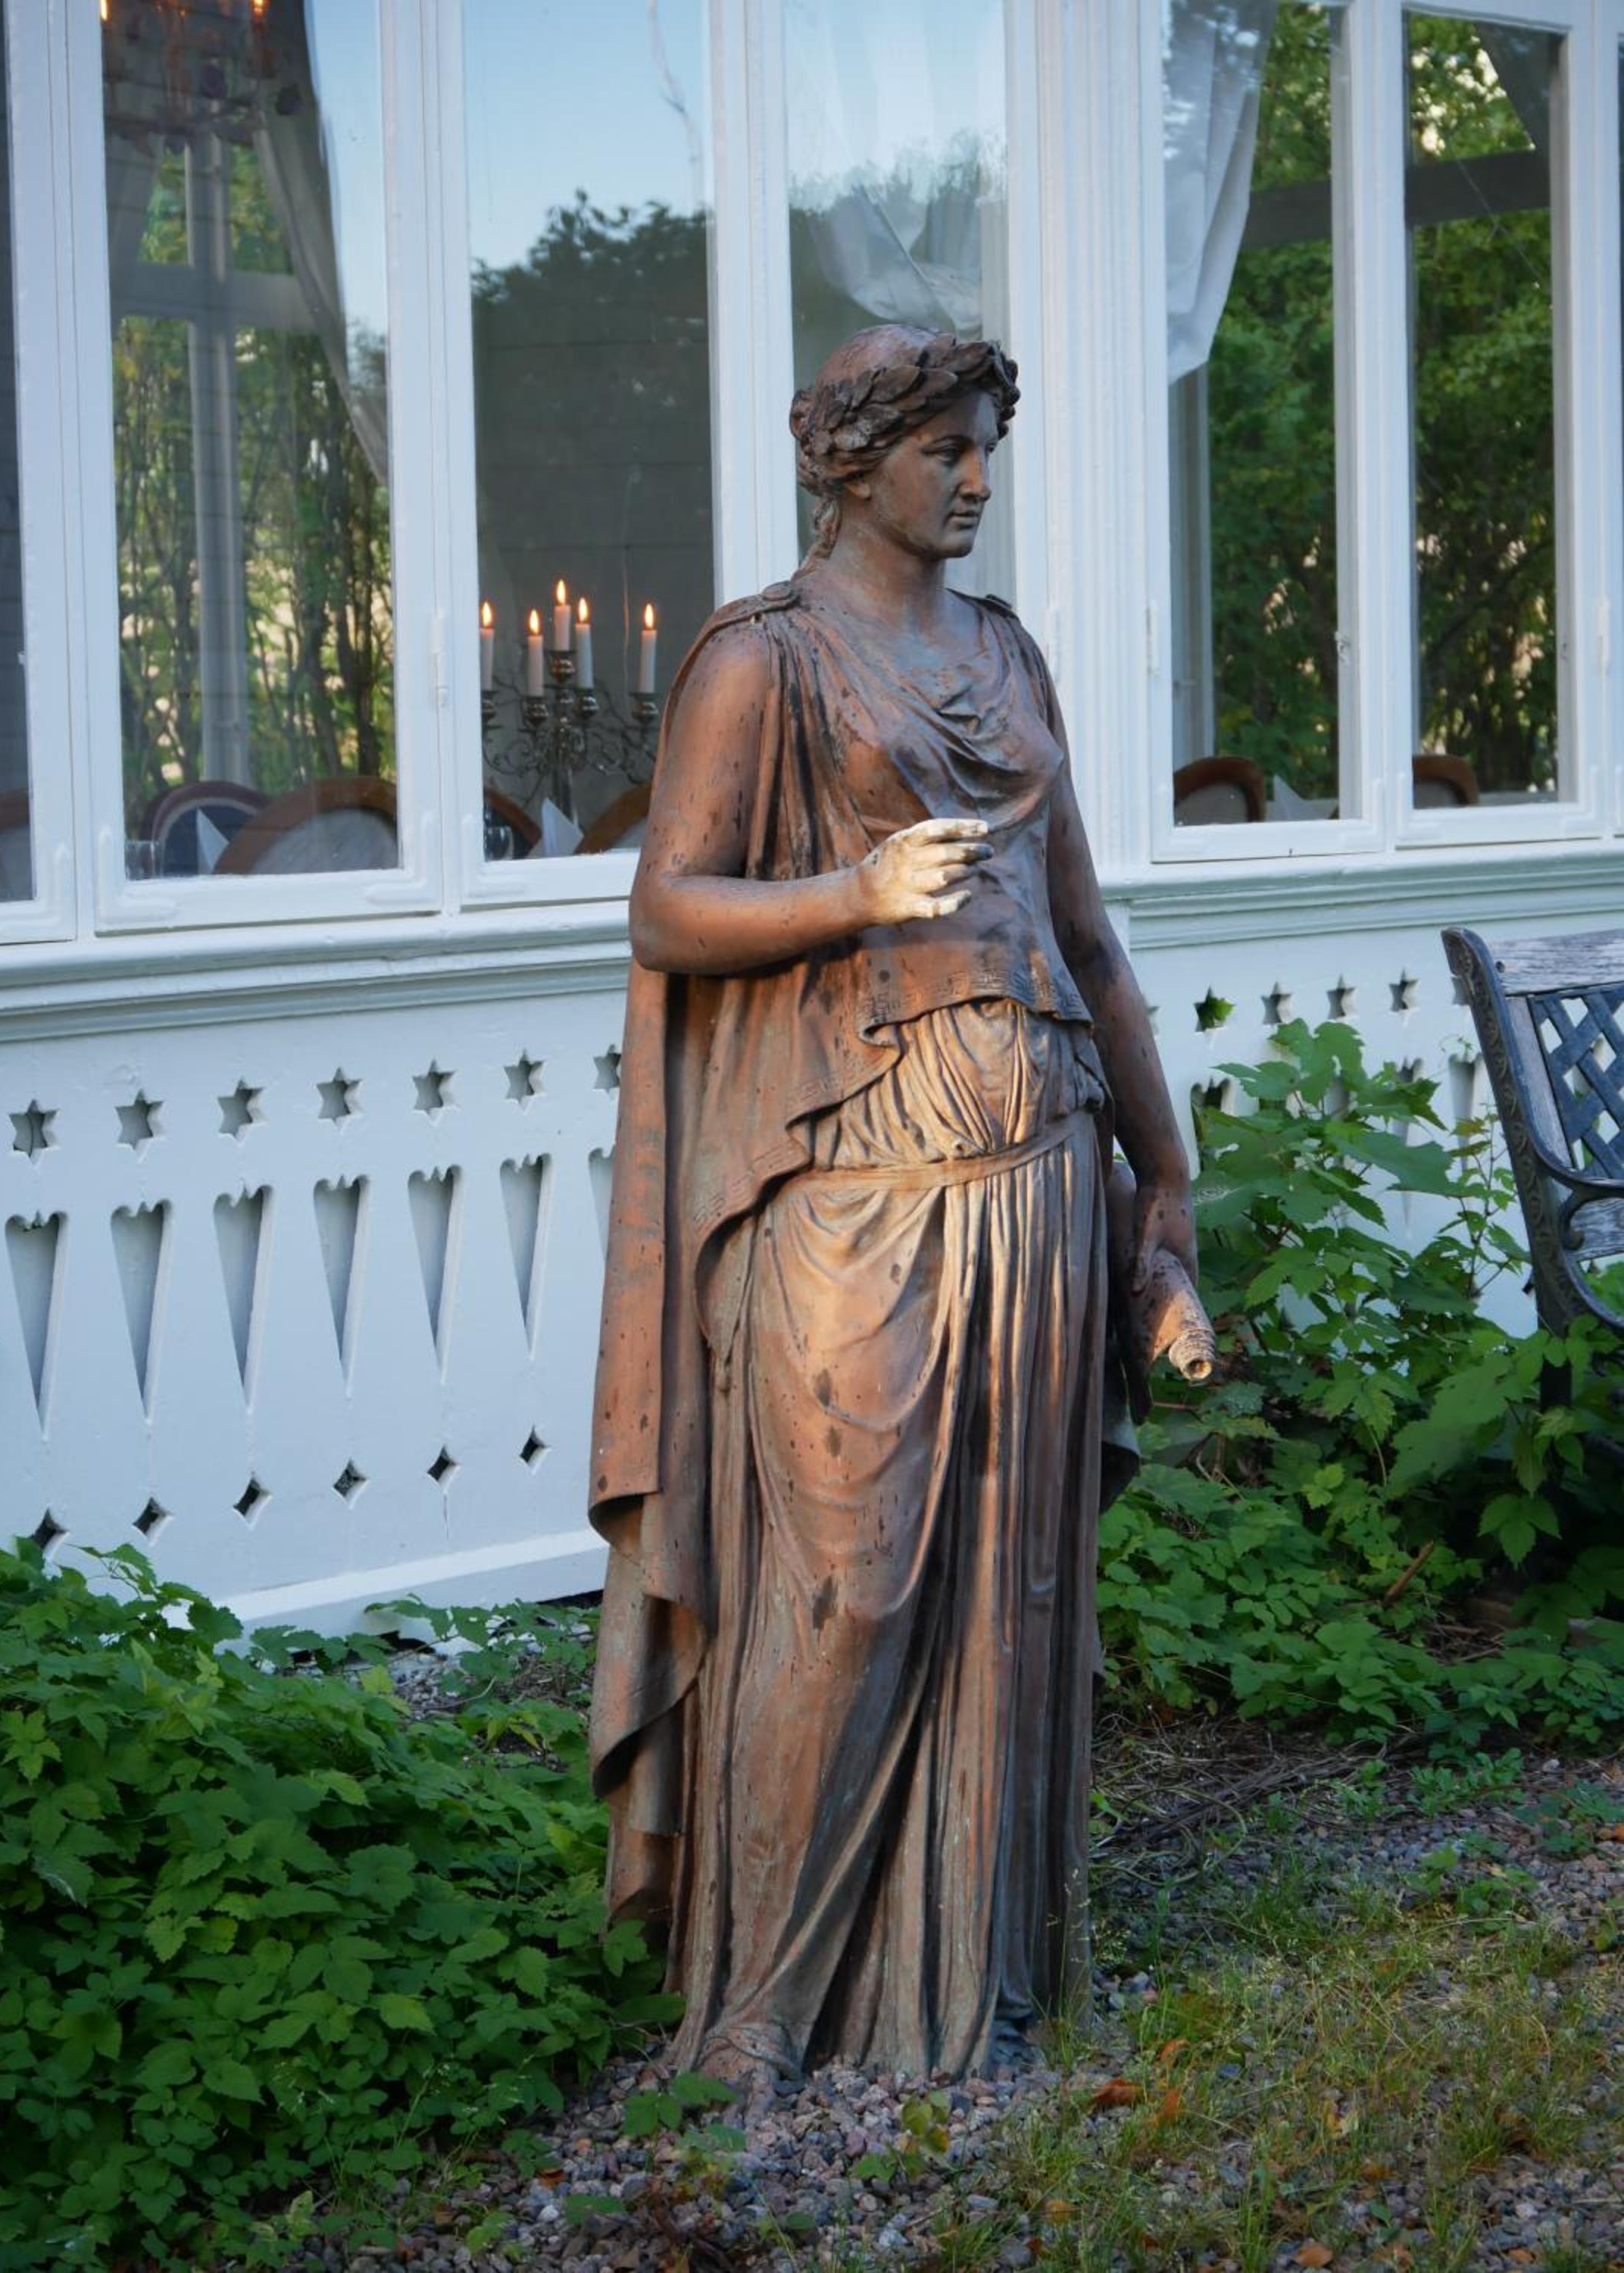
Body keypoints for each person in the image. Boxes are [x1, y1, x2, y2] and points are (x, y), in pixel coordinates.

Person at [586, 324, 1199, 2111]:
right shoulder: (762, 660)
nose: (978, 479)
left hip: (1042, 1167)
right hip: (852, 1180)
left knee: (1014, 1595)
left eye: (987, 444)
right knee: (847, 1588)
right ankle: (762, 2014)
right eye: (947, 448)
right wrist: (850, 892)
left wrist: (1164, 1180)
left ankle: (984, 1989)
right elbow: (668, 909)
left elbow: (1085, 933)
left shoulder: (1005, 656)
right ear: (852, 463)